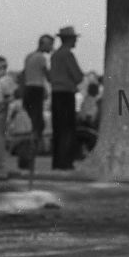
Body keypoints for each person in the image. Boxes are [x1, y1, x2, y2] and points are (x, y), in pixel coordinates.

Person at [49, 26, 84, 169]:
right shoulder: (67, 55)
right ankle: (66, 161)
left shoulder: (55, 55)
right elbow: (78, 75)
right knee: (68, 129)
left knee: (58, 128)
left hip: (56, 92)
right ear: (69, 39)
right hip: (66, 93)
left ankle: (57, 161)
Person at [20, 34, 53, 166]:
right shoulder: (41, 58)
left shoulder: (29, 56)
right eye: (50, 45)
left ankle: (31, 149)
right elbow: (48, 76)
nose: (51, 47)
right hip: (36, 89)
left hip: (28, 89)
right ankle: (32, 151)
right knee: (37, 122)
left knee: (34, 121)